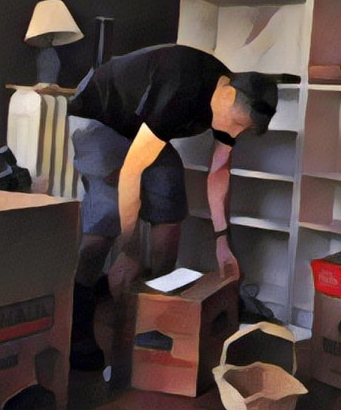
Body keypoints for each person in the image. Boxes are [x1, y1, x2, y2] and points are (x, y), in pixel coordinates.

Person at [65, 43, 278, 370]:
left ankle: (152, 314)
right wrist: (130, 248)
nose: (234, 133)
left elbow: (219, 170)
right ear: (226, 96)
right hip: (99, 116)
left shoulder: (229, 104)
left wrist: (223, 241)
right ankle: (77, 326)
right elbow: (131, 171)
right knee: (107, 217)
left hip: (141, 129)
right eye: (236, 123)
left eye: (243, 130)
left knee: (170, 195)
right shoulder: (180, 91)